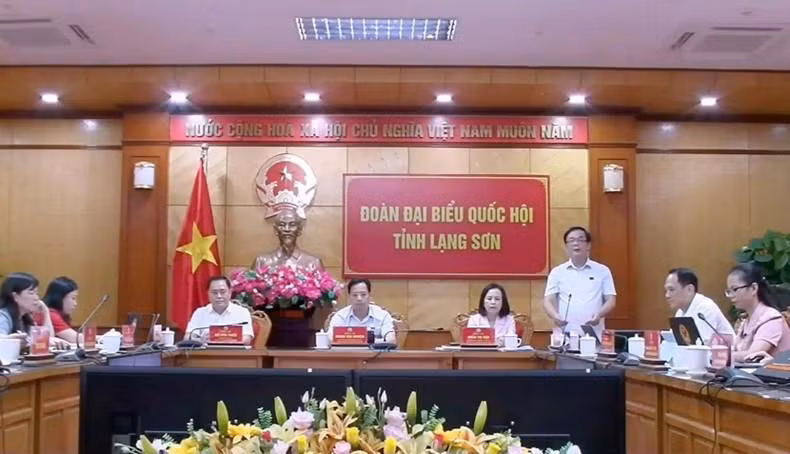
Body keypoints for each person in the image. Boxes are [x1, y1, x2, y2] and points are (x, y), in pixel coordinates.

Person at [543, 226, 616, 339]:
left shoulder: (602, 271)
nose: (576, 243)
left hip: (594, 333)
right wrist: (555, 316)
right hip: (566, 334)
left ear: (588, 245)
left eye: (580, 239)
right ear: (566, 246)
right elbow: (548, 301)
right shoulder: (557, 272)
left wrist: (599, 314)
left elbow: (611, 300)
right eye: (571, 240)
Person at [726, 263, 790, 362]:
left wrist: (720, 355)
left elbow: (752, 356)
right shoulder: (746, 319)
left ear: (753, 288)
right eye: (728, 291)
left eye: (735, 289)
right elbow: (736, 349)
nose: (730, 295)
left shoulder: (771, 318)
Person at [0, 272, 69, 350]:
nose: (37, 298)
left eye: (37, 293)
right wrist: (14, 340)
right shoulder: (3, 316)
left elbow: (48, 339)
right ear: (15, 296)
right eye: (31, 293)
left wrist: (46, 311)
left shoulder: (26, 319)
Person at [664, 268, 734, 343]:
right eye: (666, 290)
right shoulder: (680, 312)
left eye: (671, 290)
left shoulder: (706, 307)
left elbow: (702, 344)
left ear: (689, 289)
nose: (667, 295)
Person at [184, 276, 254, 345]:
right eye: (214, 292)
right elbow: (187, 337)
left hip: (232, 351)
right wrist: (201, 340)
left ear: (230, 292)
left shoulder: (242, 312)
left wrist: (221, 338)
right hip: (206, 352)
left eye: (222, 292)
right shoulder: (200, 313)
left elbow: (247, 339)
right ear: (208, 294)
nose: (219, 296)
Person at [252, 208, 324, 270]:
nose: (287, 229)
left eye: (292, 225)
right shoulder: (261, 261)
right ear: (276, 230)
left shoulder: (313, 262)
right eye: (282, 225)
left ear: (299, 230)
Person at [327, 278, 395, 343]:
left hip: (374, 351)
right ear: (349, 297)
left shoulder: (382, 315)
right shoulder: (340, 316)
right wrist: (365, 340)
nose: (359, 298)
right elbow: (330, 339)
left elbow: (390, 340)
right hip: (348, 351)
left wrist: (361, 341)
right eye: (355, 295)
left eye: (363, 294)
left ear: (369, 296)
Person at [40, 276, 80, 343]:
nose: (75, 303)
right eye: (73, 298)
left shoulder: (59, 313)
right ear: (59, 298)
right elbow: (74, 338)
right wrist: (99, 338)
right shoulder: (51, 314)